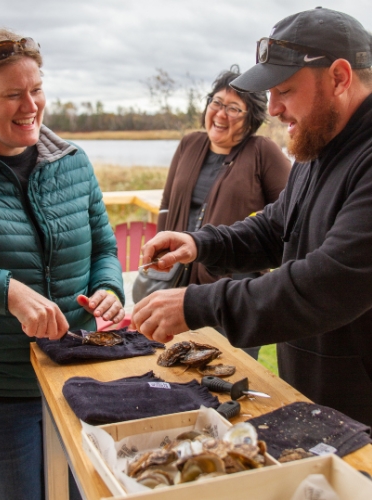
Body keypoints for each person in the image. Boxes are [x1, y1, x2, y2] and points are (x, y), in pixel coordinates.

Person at [132, 7, 372, 428]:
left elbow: (329, 282)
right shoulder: (319, 144)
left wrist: (198, 304)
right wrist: (203, 244)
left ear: (339, 77)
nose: (274, 108)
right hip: (319, 401)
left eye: (284, 89)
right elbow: (278, 225)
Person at [0, 29, 125, 500]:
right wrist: (7, 291)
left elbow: (104, 246)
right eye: (13, 94)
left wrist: (109, 288)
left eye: (36, 90)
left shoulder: (74, 162)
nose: (30, 105)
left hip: (78, 378)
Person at [154, 65, 291, 359]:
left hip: (232, 293)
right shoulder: (190, 143)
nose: (220, 113)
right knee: (172, 368)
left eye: (233, 108)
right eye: (216, 103)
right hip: (178, 283)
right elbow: (167, 203)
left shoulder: (263, 152)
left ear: (250, 118)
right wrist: (160, 252)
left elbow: (293, 214)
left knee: (228, 376)